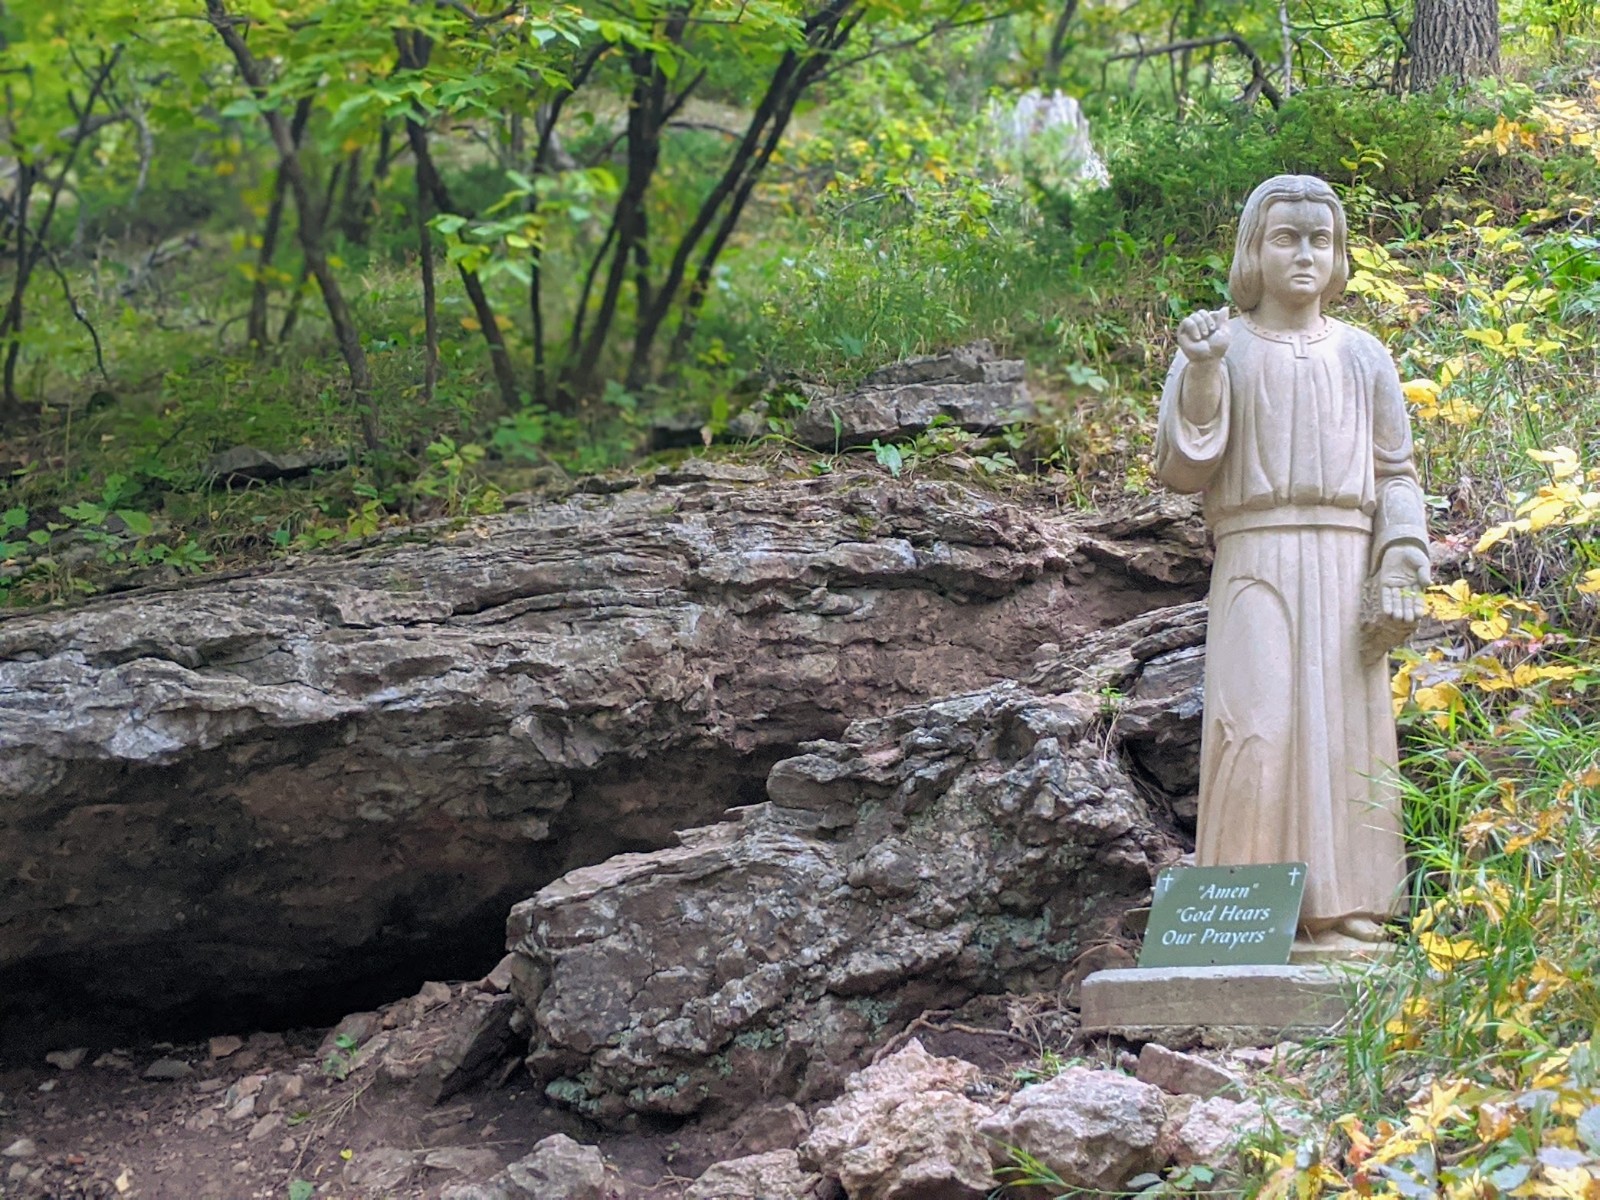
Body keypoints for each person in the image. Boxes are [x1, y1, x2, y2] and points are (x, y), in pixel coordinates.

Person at [1154, 174, 1430, 948]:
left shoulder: (1364, 354)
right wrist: (1202, 372)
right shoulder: (1221, 344)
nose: (1305, 254)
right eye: (1286, 237)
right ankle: (1237, 921)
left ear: (1339, 254)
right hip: (1255, 555)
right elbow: (1183, 467)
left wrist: (1400, 558)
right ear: (1254, 249)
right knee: (1255, 727)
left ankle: (1348, 907)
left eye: (1321, 239)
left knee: (1347, 736)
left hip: (1345, 557)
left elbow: (1397, 474)